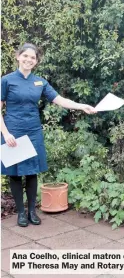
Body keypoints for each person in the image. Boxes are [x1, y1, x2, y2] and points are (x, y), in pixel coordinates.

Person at [1, 43, 97, 227]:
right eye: (26, 56)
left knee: (32, 172)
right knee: (14, 174)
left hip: (34, 131)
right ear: (18, 57)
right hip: (13, 131)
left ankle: (31, 211)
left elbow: (59, 99)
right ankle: (20, 213)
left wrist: (81, 106)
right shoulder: (6, 80)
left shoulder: (40, 82)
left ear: (36, 62)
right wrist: (5, 134)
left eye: (33, 58)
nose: (29, 60)